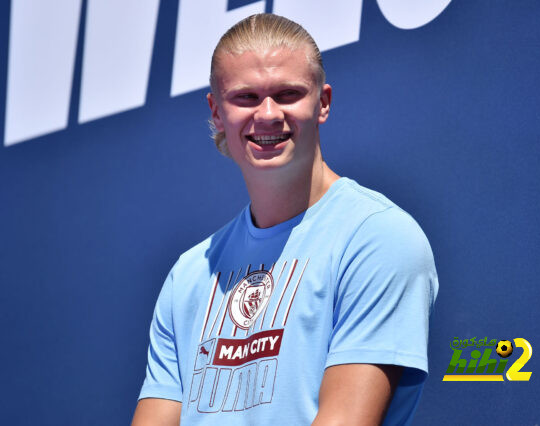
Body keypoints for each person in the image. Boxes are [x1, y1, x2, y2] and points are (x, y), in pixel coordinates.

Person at [132, 13, 438, 426]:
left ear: (323, 103)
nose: (269, 114)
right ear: (217, 112)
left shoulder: (378, 238)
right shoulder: (188, 275)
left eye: (288, 93)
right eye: (246, 97)